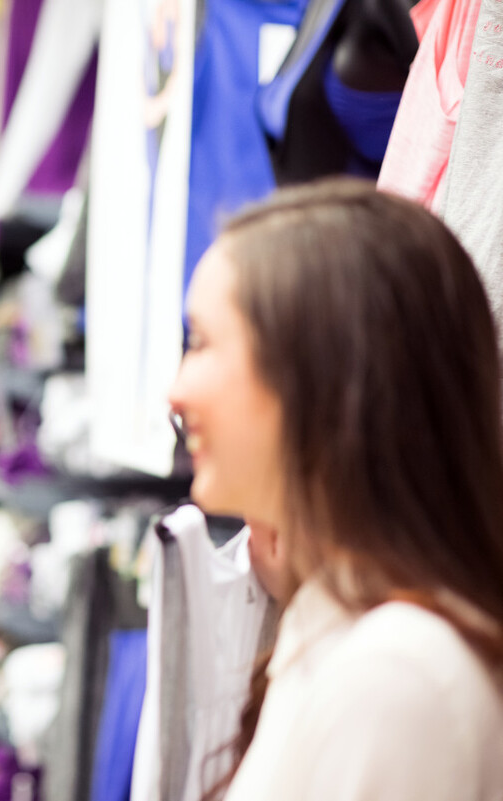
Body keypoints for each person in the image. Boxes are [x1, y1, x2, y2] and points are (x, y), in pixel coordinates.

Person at [168, 178, 503, 799]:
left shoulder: (396, 677)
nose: (176, 393)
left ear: (319, 378)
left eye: (202, 343)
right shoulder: (349, 634)